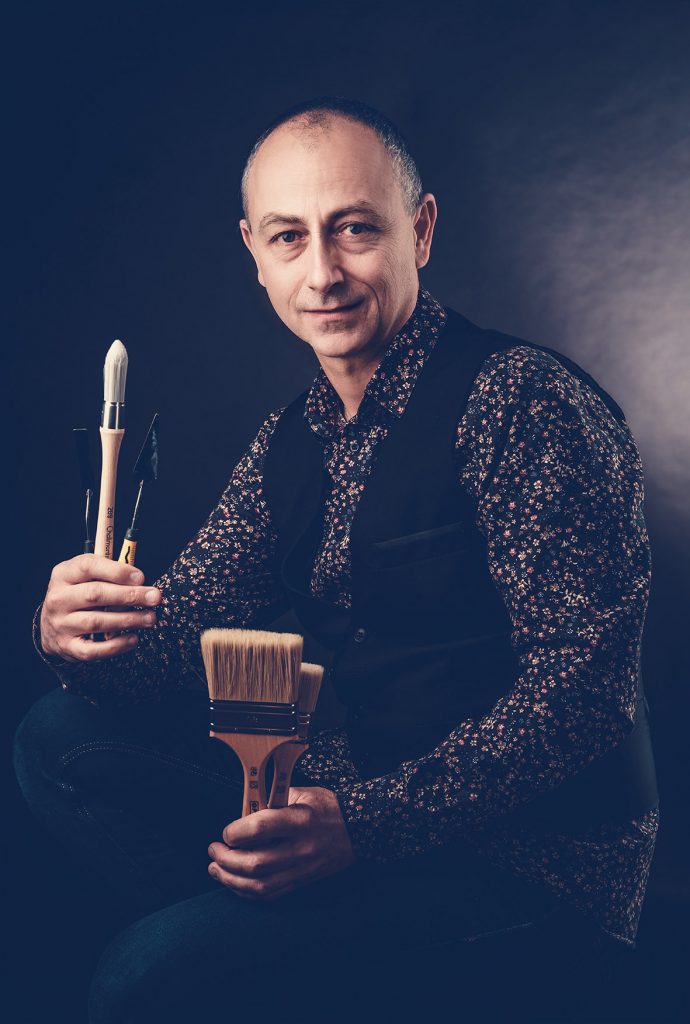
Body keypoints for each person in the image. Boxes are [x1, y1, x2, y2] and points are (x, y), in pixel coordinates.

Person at [14, 97, 659, 1023]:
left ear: (419, 231)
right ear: (256, 253)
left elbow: (586, 694)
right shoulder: (291, 440)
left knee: (140, 981)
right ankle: (267, 956)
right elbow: (166, 655)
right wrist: (75, 634)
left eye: (354, 229)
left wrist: (362, 826)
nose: (322, 273)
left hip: (532, 868)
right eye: (289, 237)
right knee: (59, 737)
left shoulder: (523, 402)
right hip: (350, 809)